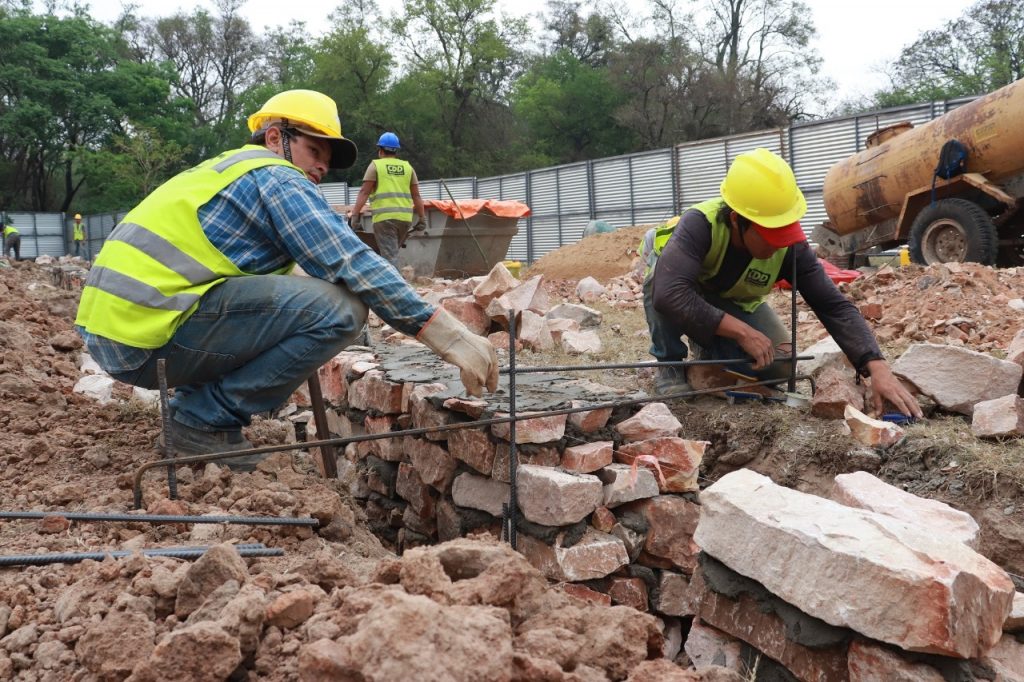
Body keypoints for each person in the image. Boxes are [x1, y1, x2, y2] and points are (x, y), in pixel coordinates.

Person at [75, 89, 499, 471]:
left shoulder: (225, 170)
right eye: (314, 149)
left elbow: (281, 282)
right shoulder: (276, 177)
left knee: (314, 300)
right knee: (342, 310)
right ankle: (201, 421)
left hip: (119, 334)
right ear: (275, 138)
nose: (320, 166)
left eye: (326, 160)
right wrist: (452, 337)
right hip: (146, 338)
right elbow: (352, 261)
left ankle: (195, 413)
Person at [646, 148, 922, 418]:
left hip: (729, 301)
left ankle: (709, 354)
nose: (780, 243)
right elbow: (670, 293)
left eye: (785, 229)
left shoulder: (791, 246)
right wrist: (742, 332)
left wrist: (876, 366)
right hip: (683, 291)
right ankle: (670, 364)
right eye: (770, 234)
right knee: (659, 284)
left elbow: (833, 306)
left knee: (780, 367)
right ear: (736, 220)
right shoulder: (699, 224)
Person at [346, 132, 427, 264]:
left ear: (380, 150)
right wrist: (422, 218)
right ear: (396, 150)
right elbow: (416, 195)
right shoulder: (408, 167)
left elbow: (364, 192)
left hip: (385, 220)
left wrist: (355, 216)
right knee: (391, 253)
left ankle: (395, 284)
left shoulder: (376, 166)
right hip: (405, 219)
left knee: (389, 258)